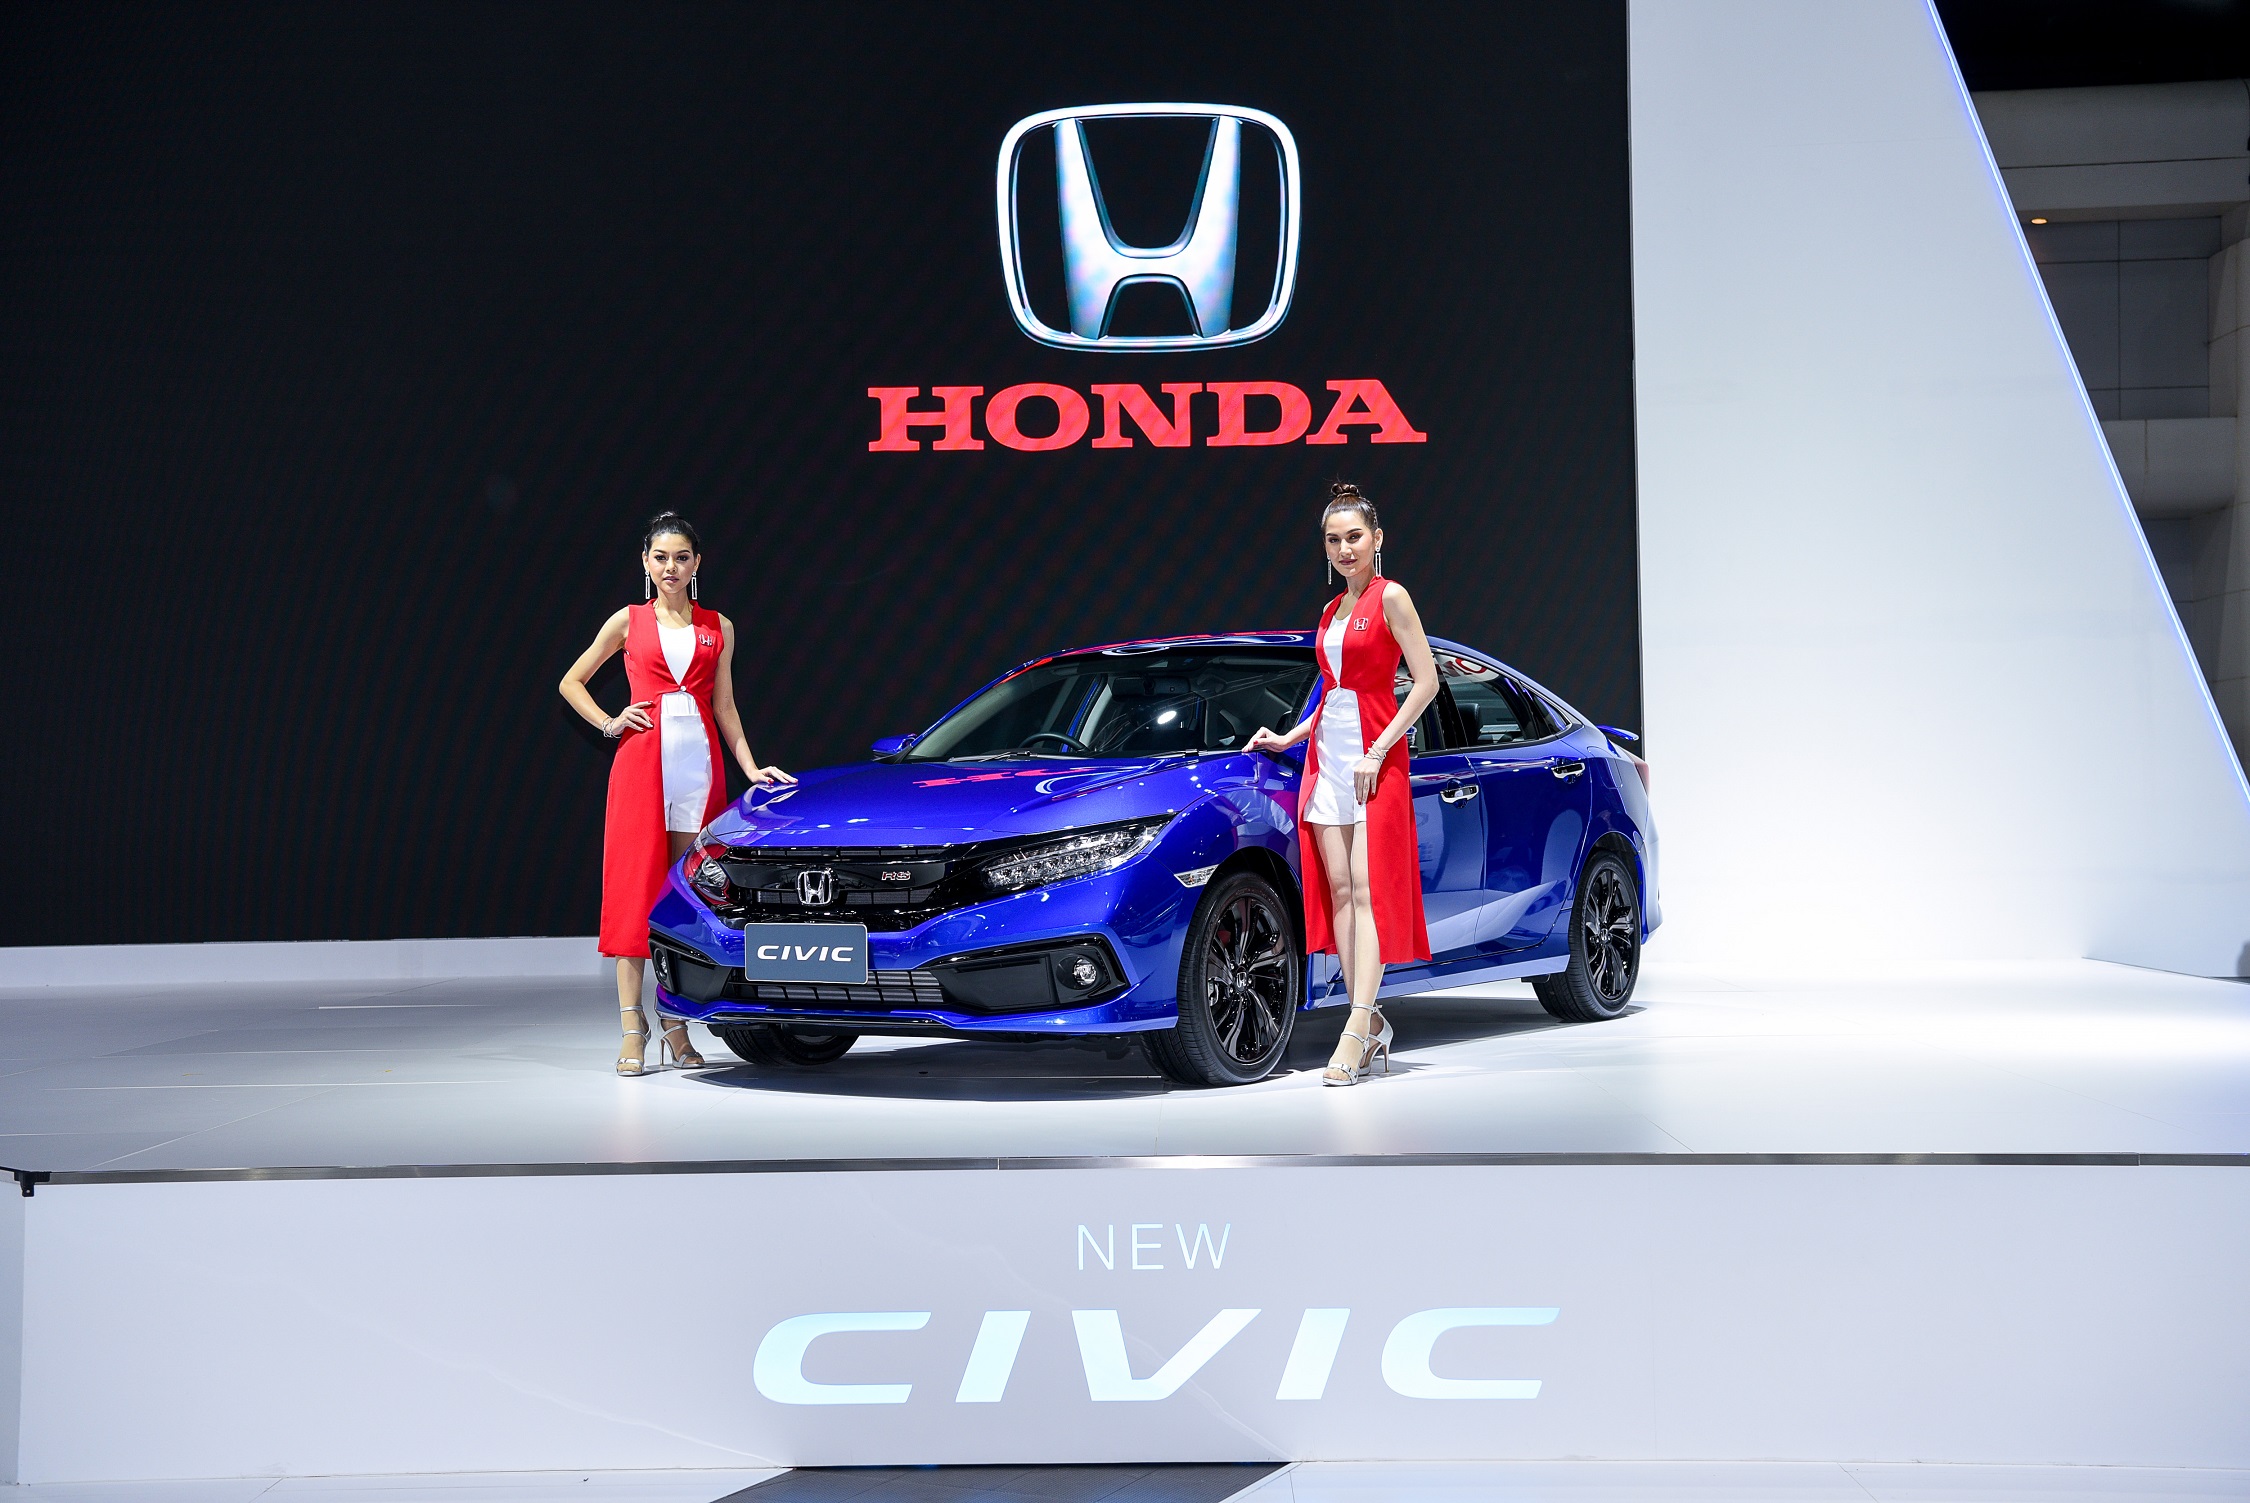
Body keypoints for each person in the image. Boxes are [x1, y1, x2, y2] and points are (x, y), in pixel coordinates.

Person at [559, 512, 795, 1075]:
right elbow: (571, 681)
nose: (671, 567)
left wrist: (750, 766)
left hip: (699, 773)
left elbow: (725, 706)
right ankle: (631, 1028)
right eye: (661, 557)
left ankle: (675, 1024)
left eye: (681, 557)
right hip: (642, 769)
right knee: (633, 894)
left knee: (685, 901)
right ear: (646, 562)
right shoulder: (629, 620)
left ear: (697, 564)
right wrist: (609, 722)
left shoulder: (719, 626)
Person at [1247, 482, 1437, 1085]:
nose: (1344, 549)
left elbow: (1427, 682)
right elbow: (1334, 694)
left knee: (1369, 889)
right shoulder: (1330, 611)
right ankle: (1369, 1020)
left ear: (1377, 539)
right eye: (1333, 540)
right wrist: (1290, 738)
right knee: (1342, 893)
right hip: (1329, 761)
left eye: (1354, 537)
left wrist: (1378, 752)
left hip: (1375, 760)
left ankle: (1354, 1030)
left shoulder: (1392, 597)